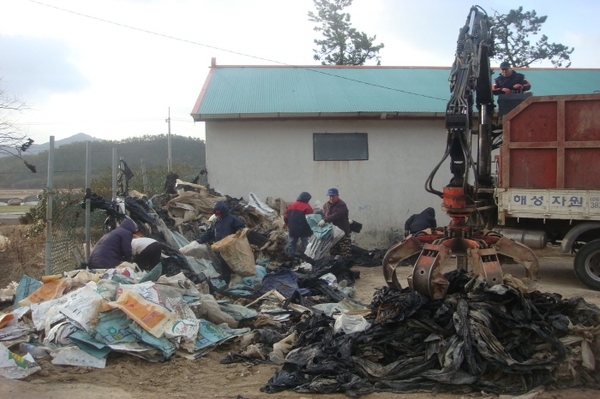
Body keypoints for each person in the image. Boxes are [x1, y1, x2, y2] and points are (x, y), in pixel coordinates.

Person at [196, 201, 245, 283]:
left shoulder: (232, 219)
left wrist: (238, 234)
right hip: (221, 247)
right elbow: (210, 232)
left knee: (233, 264)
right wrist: (201, 240)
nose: (217, 214)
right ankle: (226, 280)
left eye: (219, 212)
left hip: (231, 247)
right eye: (216, 212)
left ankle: (237, 279)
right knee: (223, 264)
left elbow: (241, 228)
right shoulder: (215, 221)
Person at [318, 187, 352, 260]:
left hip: (342, 231)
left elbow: (337, 215)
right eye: (330, 196)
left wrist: (325, 220)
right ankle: (336, 266)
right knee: (333, 251)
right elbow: (324, 214)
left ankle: (346, 266)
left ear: (337, 196)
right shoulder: (326, 205)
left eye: (333, 196)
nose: (331, 198)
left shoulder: (341, 205)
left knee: (345, 250)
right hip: (333, 233)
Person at [283, 192, 313, 258]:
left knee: (291, 243)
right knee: (307, 244)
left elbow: (286, 216)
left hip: (293, 229)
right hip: (304, 230)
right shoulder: (307, 207)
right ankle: (309, 256)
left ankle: (290, 257)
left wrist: (286, 223)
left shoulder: (291, 205)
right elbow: (311, 219)